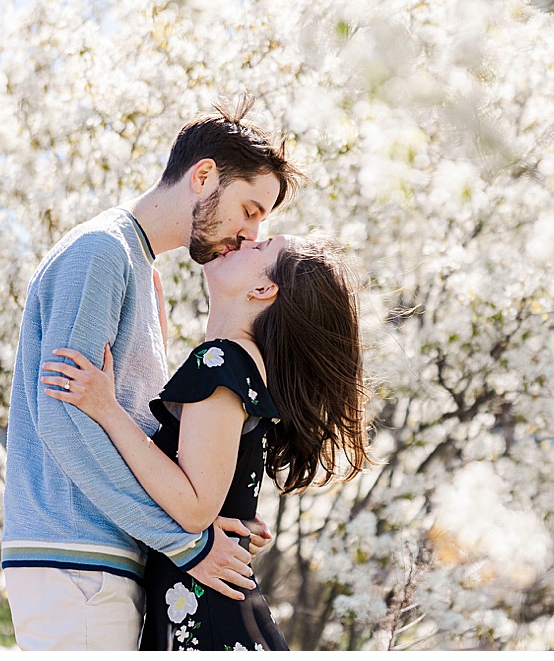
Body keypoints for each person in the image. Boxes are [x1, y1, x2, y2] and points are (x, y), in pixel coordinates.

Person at [0, 98, 297, 650]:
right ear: (204, 175)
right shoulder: (100, 253)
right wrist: (188, 544)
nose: (251, 233)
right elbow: (64, 418)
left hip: (102, 560)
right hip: (76, 561)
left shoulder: (139, 269)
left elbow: (129, 424)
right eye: (250, 209)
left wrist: (216, 515)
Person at [45, 232, 371, 650]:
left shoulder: (220, 362)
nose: (245, 239)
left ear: (263, 289)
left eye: (260, 247)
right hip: (212, 612)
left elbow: (195, 507)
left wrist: (107, 409)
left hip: (205, 621)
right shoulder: (237, 365)